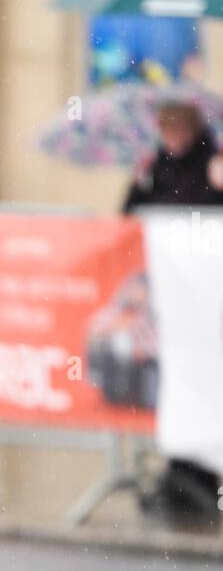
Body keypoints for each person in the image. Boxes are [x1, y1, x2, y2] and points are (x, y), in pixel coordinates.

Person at [121, 102, 223, 527]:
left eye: (178, 124)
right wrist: (136, 184)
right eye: (165, 125)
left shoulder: (212, 163)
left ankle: (200, 473)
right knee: (175, 376)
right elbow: (129, 216)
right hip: (169, 300)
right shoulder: (156, 165)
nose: (171, 133)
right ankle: (179, 472)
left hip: (207, 297)